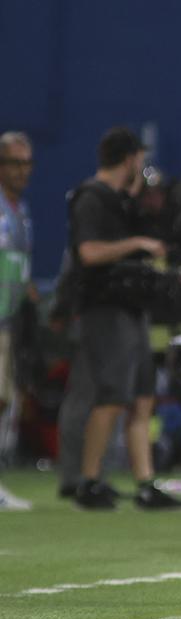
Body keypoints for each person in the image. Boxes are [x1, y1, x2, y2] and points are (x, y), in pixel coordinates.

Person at [69, 127, 181, 510]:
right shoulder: (92, 197)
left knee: (141, 398)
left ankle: (145, 485)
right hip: (105, 308)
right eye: (138, 157)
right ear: (129, 159)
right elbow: (88, 252)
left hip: (131, 308)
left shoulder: (122, 200)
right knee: (112, 396)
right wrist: (136, 245)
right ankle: (88, 481)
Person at [0, 131, 35, 511]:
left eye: (27, 163)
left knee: (5, 398)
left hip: (7, 319)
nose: (22, 171)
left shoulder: (18, 210)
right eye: (14, 163)